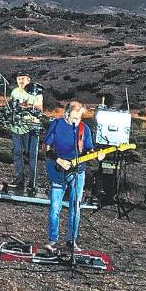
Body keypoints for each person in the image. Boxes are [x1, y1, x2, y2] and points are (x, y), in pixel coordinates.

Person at [43, 101, 105, 253]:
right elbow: (46, 148)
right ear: (67, 114)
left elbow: (89, 149)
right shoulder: (57, 125)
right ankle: (52, 240)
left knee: (75, 207)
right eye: (74, 117)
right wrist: (59, 160)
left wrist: (97, 155)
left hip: (78, 172)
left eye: (79, 117)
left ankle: (72, 240)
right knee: (55, 207)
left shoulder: (85, 129)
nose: (77, 120)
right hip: (58, 170)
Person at [8, 70, 43, 191]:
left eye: (23, 78)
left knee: (31, 155)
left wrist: (27, 106)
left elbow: (39, 109)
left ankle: (32, 182)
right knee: (17, 153)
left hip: (31, 127)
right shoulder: (14, 92)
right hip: (16, 127)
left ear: (29, 80)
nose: (21, 81)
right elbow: (10, 106)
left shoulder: (36, 92)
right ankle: (19, 179)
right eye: (19, 78)